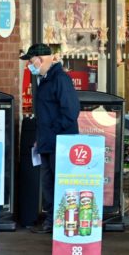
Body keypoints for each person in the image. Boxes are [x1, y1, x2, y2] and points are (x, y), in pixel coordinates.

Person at [20, 43, 80, 234]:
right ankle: (52, 221)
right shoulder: (44, 79)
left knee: (59, 182)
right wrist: (41, 137)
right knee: (48, 182)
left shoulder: (60, 79)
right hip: (48, 141)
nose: (30, 64)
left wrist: (52, 132)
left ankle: (61, 222)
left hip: (60, 142)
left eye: (31, 60)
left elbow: (70, 111)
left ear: (42, 58)